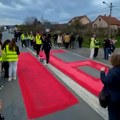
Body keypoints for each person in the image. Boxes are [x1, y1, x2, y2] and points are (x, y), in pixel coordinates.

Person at [100, 53, 120, 120]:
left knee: (112, 113)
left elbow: (106, 81)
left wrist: (102, 72)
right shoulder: (114, 70)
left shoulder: (113, 71)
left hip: (113, 97)